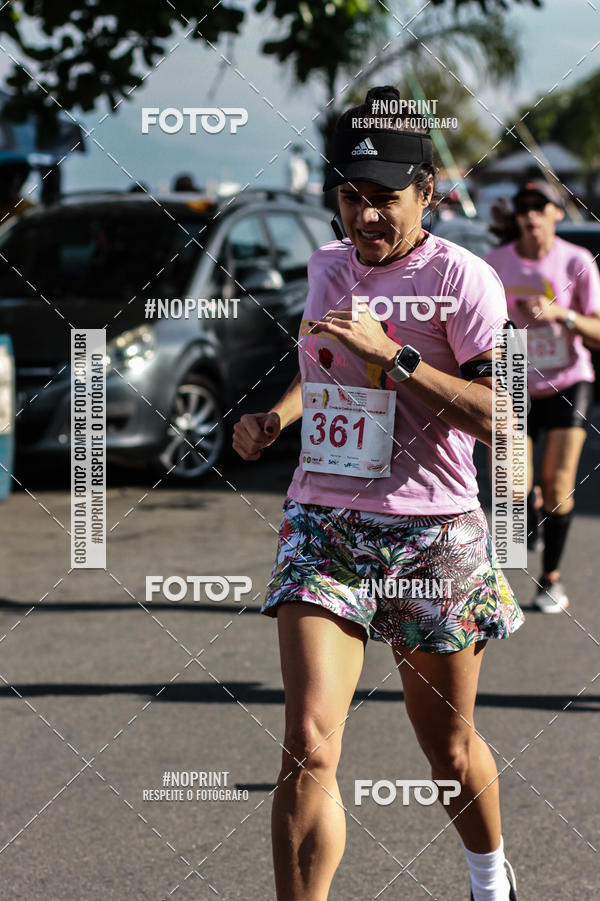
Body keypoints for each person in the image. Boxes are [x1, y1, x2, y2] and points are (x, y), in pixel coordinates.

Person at [233, 85, 523, 901]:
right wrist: (275, 417)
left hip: (433, 534)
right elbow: (322, 370)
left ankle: (489, 878)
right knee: (308, 744)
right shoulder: (327, 268)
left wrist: (394, 355)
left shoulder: (468, 281)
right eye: (351, 198)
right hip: (325, 521)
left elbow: (505, 418)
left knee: (450, 750)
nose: (364, 217)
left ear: (427, 192)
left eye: (384, 200)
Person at [486, 180, 600, 613]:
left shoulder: (577, 260)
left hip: (569, 379)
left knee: (557, 485)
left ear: (558, 212)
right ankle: (528, 517)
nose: (530, 213)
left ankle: (550, 579)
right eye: (522, 206)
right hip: (514, 376)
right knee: (513, 487)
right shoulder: (494, 263)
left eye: (540, 205)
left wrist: (562, 314)